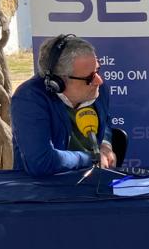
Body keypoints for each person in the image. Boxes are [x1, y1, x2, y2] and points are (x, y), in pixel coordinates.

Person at [11, 34, 120, 176]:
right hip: (46, 190)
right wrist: (91, 158)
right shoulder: (28, 99)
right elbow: (41, 162)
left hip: (93, 182)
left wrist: (105, 145)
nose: (99, 81)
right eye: (89, 77)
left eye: (97, 71)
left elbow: (105, 123)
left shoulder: (98, 89)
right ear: (58, 82)